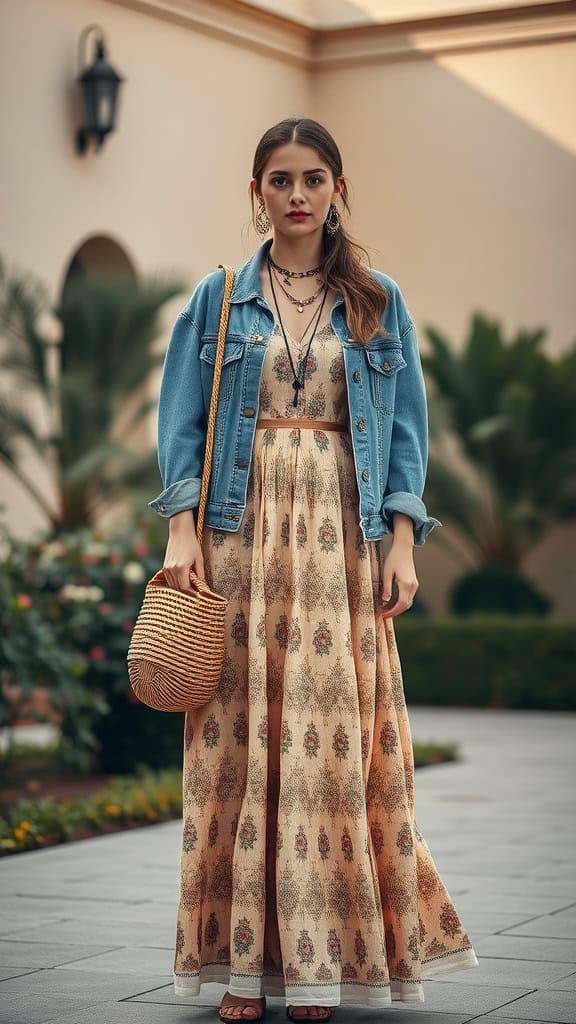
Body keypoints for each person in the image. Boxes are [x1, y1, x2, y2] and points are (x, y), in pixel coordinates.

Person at [148, 117, 479, 1022]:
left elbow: (406, 430)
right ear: (255, 191)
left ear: (338, 189)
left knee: (329, 748)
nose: (297, 194)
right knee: (241, 742)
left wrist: (404, 540)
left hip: (341, 538)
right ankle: (247, 967)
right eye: (281, 179)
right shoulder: (217, 302)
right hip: (239, 536)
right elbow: (181, 426)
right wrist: (183, 534)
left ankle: (321, 962)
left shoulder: (379, 300)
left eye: (314, 178)